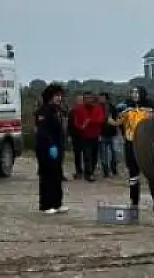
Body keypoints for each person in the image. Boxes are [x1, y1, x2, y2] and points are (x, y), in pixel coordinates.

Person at [119, 94, 154, 212]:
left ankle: (152, 203)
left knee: (147, 176)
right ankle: (143, 202)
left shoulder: (146, 113)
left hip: (141, 147)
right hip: (137, 146)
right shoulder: (131, 112)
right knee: (139, 176)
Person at [33, 83, 68, 214]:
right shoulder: (43, 111)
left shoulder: (57, 110)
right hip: (45, 148)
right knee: (47, 176)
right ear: (50, 96)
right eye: (56, 95)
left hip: (57, 147)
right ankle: (46, 205)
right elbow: (42, 131)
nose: (59, 98)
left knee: (57, 175)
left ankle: (57, 203)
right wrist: (50, 144)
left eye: (60, 95)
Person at [68, 92, 105, 181]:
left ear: (92, 98)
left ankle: (90, 170)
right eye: (86, 98)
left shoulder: (98, 108)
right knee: (87, 155)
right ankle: (88, 174)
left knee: (94, 156)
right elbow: (76, 122)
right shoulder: (79, 109)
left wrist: (90, 121)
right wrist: (81, 126)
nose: (88, 100)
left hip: (95, 135)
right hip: (85, 136)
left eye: (90, 98)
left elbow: (101, 119)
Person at [98, 92, 120, 177]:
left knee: (114, 154)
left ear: (106, 98)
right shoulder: (97, 108)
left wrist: (116, 128)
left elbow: (117, 119)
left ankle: (114, 169)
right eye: (100, 98)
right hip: (102, 134)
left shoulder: (112, 107)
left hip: (112, 134)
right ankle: (106, 172)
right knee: (104, 155)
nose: (101, 99)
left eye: (102, 98)